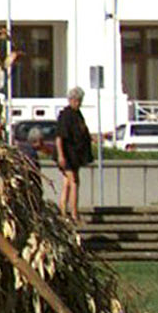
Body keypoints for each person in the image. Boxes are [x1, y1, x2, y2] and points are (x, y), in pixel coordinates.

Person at [54, 88, 92, 224]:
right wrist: (61, 156)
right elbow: (59, 137)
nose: (78, 103)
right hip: (67, 155)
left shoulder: (78, 115)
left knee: (67, 183)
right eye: (76, 100)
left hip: (74, 156)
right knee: (74, 182)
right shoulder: (66, 115)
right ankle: (74, 214)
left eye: (79, 101)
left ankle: (63, 211)